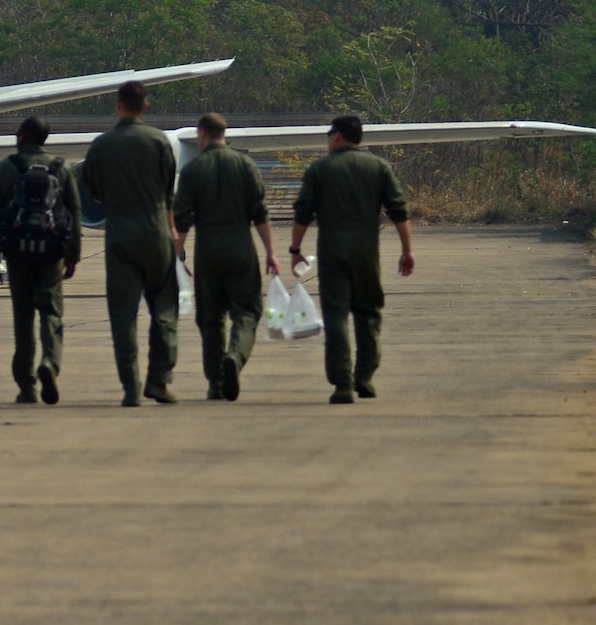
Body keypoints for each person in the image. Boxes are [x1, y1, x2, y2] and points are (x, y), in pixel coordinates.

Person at [289, 113, 414, 404]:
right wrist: (407, 250)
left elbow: (303, 214)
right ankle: (365, 376)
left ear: (337, 136)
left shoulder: (320, 170)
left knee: (335, 317)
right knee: (368, 314)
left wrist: (295, 251)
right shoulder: (379, 167)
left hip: (332, 254)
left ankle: (343, 383)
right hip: (366, 255)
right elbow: (399, 210)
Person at [81, 80, 181, 407]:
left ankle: (130, 386)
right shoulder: (159, 142)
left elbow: (91, 191)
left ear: (118, 105)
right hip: (156, 233)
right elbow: (169, 190)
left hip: (120, 234)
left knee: (123, 315)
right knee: (164, 310)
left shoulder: (101, 145)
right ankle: (159, 381)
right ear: (146, 106)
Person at [173, 112, 279, 402]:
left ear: (202, 134)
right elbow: (260, 213)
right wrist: (271, 252)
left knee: (210, 319)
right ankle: (235, 355)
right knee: (247, 311)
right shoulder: (245, 165)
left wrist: (176, 258)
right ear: (224, 133)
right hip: (241, 248)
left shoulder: (193, 171)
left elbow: (181, 221)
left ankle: (216, 383)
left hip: (207, 252)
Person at [0, 115, 80, 405]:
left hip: (17, 254)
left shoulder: (5, 169)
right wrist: (72, 257)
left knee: (22, 321)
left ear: (21, 138)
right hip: (51, 255)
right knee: (51, 312)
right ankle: (50, 362)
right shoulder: (62, 169)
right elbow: (73, 214)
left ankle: (26, 386)